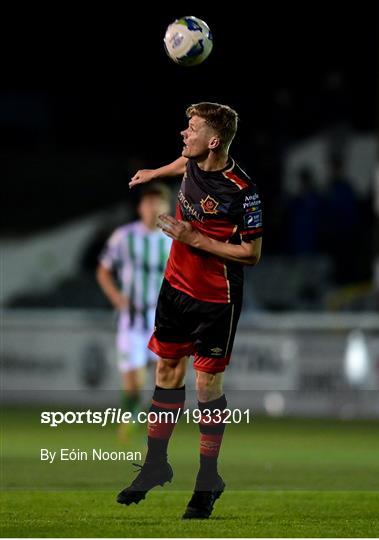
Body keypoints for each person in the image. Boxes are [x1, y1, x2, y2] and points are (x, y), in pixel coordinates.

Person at [117, 102, 263, 519]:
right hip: (175, 287)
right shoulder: (194, 162)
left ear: (213, 141)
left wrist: (193, 238)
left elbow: (251, 254)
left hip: (216, 299)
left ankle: (207, 480)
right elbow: (184, 164)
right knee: (165, 372)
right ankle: (157, 464)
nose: (185, 133)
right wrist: (155, 173)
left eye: (192, 128)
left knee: (206, 389)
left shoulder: (243, 191)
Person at [96, 184, 172, 441]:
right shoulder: (124, 236)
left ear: (166, 208)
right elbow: (103, 270)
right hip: (132, 318)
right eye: (148, 203)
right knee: (134, 380)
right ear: (141, 208)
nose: (153, 208)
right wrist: (117, 298)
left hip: (161, 318)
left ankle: (156, 427)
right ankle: (131, 422)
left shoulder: (172, 239)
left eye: (157, 203)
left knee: (162, 375)